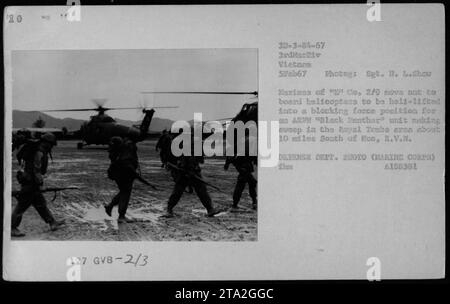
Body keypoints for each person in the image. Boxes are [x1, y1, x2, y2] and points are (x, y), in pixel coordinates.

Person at [11, 133, 65, 237]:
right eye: (51, 144)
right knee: (21, 206)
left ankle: (52, 222)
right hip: (30, 183)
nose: (52, 147)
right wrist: (40, 184)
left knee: (41, 204)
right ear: (46, 143)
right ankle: (12, 228)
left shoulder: (39, 150)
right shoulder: (39, 152)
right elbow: (36, 170)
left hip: (31, 182)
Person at [163, 133, 221, 218]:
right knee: (178, 191)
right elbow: (179, 160)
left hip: (193, 171)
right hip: (184, 172)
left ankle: (210, 209)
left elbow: (200, 160)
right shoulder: (184, 145)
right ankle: (169, 209)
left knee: (201, 191)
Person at [104, 136, 139, 223]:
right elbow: (126, 163)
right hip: (123, 174)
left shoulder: (117, 151)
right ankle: (121, 216)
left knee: (124, 191)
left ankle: (110, 206)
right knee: (125, 193)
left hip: (117, 173)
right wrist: (133, 172)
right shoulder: (125, 150)